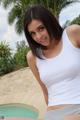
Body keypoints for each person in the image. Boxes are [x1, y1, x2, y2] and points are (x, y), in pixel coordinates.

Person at [23, 4, 80, 120]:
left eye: (41, 28)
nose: (38, 37)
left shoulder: (73, 33)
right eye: (32, 33)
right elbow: (45, 91)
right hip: (52, 114)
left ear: (50, 22)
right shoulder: (32, 57)